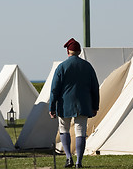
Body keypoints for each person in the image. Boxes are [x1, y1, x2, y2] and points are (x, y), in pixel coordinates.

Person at [49, 38, 99, 168]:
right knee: (80, 132)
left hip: (64, 105)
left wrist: (52, 107)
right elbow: (95, 88)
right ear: (79, 51)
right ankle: (79, 162)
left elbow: (54, 89)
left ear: (68, 52)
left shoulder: (62, 67)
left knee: (64, 130)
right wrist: (95, 106)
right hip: (83, 104)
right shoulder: (87, 66)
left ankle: (68, 158)